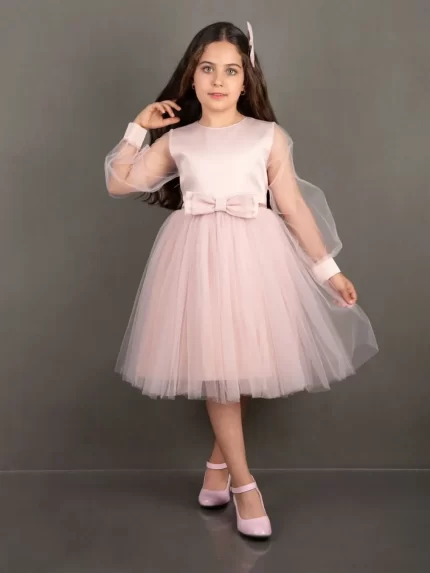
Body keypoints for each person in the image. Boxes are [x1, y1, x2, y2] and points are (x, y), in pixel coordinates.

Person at [104, 20, 379, 539]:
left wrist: (329, 271)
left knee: (243, 363)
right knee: (220, 370)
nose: (218, 80)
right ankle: (244, 486)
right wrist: (138, 127)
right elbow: (120, 182)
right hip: (195, 260)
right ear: (191, 76)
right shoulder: (179, 139)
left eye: (231, 70)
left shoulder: (267, 136)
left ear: (247, 79)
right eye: (208, 68)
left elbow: (292, 206)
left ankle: (217, 465)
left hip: (256, 257)